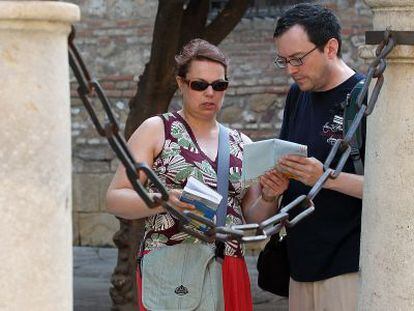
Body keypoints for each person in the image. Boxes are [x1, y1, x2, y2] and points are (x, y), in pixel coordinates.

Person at [106, 38, 289, 311]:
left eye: (219, 85)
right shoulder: (156, 129)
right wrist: (163, 198)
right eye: (199, 85)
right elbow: (115, 198)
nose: (210, 93)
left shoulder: (242, 143)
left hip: (228, 262)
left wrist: (269, 196)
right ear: (181, 83)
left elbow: (253, 217)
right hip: (170, 263)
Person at [263, 3, 365, 311]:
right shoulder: (297, 94)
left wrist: (324, 177)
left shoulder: (365, 98)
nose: (291, 69)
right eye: (284, 61)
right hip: (299, 265)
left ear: (330, 47)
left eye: (297, 59)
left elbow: (391, 187)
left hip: (349, 268)